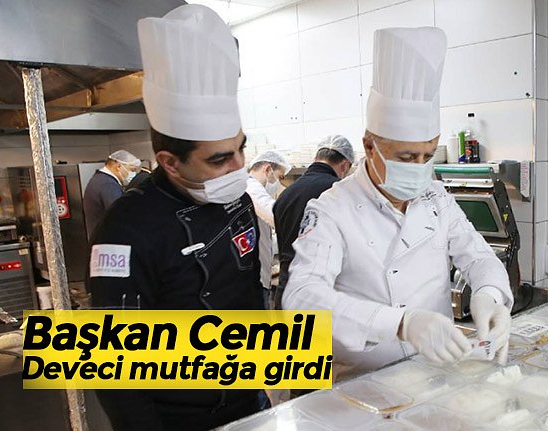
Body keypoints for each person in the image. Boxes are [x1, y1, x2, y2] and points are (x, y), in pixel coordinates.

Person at [282, 27, 513, 381]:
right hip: (362, 385)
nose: (419, 167)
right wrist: (401, 323)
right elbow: (302, 299)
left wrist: (489, 294)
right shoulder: (332, 209)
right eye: (406, 157)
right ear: (369, 146)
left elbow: (479, 257)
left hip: (434, 376)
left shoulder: (436, 198)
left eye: (427, 155)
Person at [88, 5, 265, 430]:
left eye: (241, 149)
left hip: (250, 402)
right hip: (177, 418)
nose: (238, 167)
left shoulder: (237, 201)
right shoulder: (125, 230)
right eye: (219, 159)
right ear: (169, 161)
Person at [272, 135, 354, 302]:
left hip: (286, 291)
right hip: (320, 294)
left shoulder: (285, 194)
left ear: (315, 159)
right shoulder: (338, 192)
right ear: (345, 165)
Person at [246, 150, 291, 301]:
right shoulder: (251, 188)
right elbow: (274, 216)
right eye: (280, 176)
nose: (279, 182)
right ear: (267, 169)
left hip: (261, 274)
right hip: (254, 278)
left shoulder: (253, 189)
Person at [82, 150, 141, 238]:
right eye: (132, 169)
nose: (133, 174)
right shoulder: (107, 185)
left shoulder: (99, 179)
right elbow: (120, 216)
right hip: (107, 239)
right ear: (118, 166)